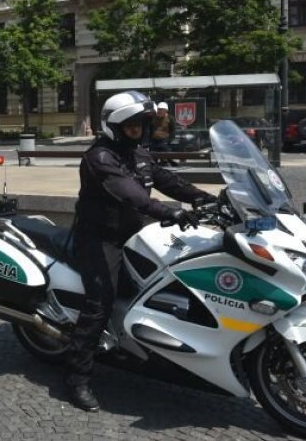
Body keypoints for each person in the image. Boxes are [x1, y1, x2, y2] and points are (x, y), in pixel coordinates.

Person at [65, 91, 215, 411]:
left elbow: (168, 179)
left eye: (141, 126)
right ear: (115, 126)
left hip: (135, 234)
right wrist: (171, 213)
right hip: (100, 239)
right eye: (132, 126)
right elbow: (132, 195)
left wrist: (204, 198)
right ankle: (78, 377)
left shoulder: (139, 154)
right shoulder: (100, 159)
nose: (138, 131)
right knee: (99, 302)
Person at [147, 101, 177, 166]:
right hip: (154, 141)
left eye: (161, 110)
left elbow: (173, 130)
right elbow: (150, 129)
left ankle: (168, 162)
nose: (159, 111)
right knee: (153, 157)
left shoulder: (170, 118)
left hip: (164, 140)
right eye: (158, 110)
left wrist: (169, 140)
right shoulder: (153, 118)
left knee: (167, 155)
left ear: (165, 111)